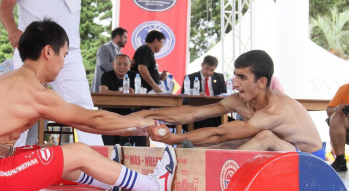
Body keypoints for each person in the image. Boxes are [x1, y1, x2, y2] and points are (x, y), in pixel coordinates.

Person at [0, 19, 176, 191]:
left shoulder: (13, 80)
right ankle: (155, 187)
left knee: (49, 154)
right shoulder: (31, 90)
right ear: (48, 51)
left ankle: (111, 181)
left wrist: (132, 128)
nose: (63, 63)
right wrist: (141, 120)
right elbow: (94, 119)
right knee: (78, 151)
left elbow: (80, 121)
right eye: (64, 55)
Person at [0, 0, 120, 146]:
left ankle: (98, 164)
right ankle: (10, 163)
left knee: (83, 108)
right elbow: (5, 5)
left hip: (67, 53)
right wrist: (12, 29)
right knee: (19, 108)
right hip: (32, 51)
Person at [136, 50, 325, 160]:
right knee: (238, 140)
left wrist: (172, 138)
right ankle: (186, 157)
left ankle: (216, 168)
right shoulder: (240, 99)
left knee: (263, 136)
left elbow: (219, 133)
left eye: (242, 77)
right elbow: (194, 113)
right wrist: (148, 114)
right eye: (235, 75)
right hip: (286, 150)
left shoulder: (275, 110)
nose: (234, 83)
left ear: (261, 82)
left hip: (311, 160)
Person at [100, 54, 147, 146]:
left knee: (142, 125)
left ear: (129, 66)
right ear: (113, 64)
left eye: (125, 64)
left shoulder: (135, 76)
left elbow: (140, 92)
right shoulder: (107, 75)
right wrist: (120, 93)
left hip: (130, 113)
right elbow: (102, 91)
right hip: (111, 113)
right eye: (119, 64)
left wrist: (133, 93)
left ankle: (139, 155)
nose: (122, 67)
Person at [182, 55, 230, 129]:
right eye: (207, 69)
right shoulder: (190, 78)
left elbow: (224, 95)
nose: (208, 72)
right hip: (197, 111)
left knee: (233, 123)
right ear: (202, 65)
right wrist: (196, 95)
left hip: (215, 111)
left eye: (212, 70)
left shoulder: (219, 77)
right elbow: (183, 98)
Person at [91, 27, 128, 93]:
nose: (126, 40)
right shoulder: (104, 48)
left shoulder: (120, 53)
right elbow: (103, 64)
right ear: (118, 37)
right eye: (125, 37)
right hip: (102, 88)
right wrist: (121, 70)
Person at [326, 84, 349, 171]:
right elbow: (328, 111)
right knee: (336, 117)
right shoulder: (345, 89)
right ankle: (340, 160)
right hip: (346, 129)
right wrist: (337, 109)